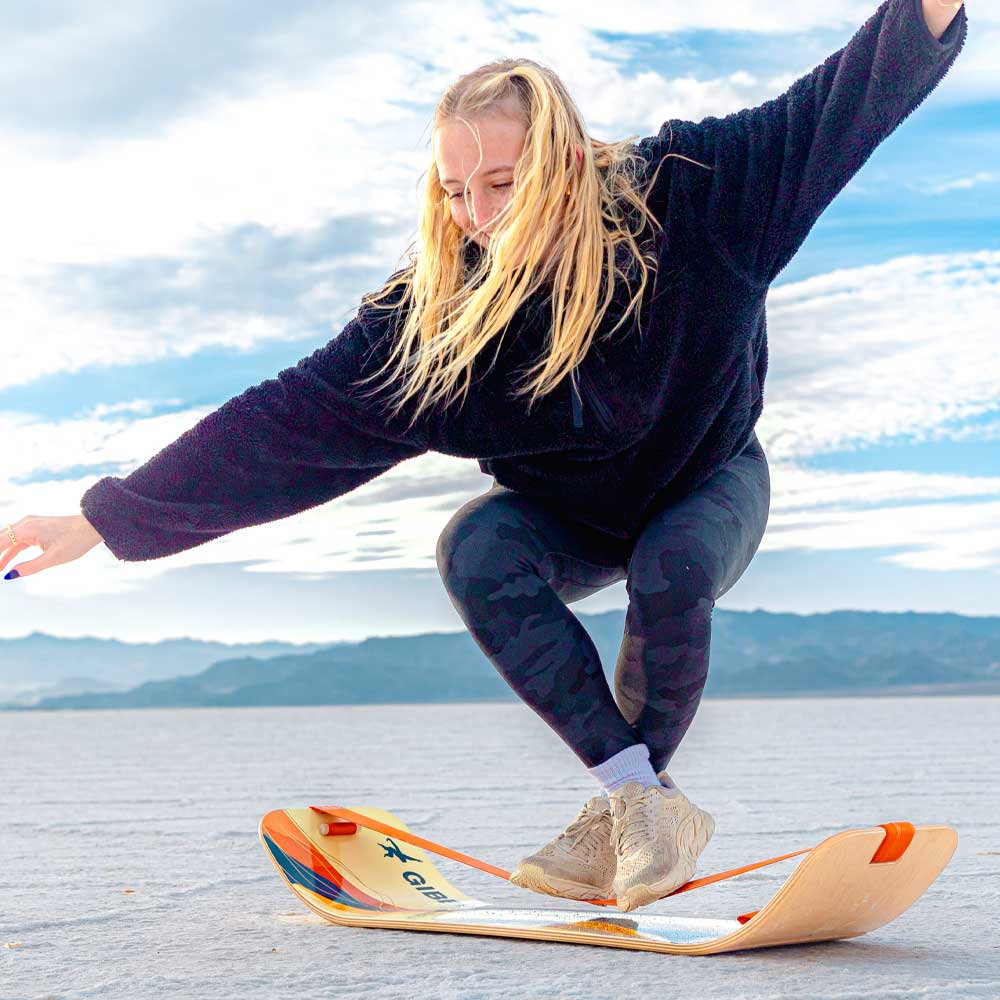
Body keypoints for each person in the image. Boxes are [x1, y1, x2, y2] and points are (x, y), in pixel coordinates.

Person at [0, 0, 967, 914]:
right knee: (475, 548)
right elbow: (280, 428)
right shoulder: (435, 325)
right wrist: (104, 517)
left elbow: (846, 99)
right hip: (569, 520)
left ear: (573, 161)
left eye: (501, 182)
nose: (477, 212)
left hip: (710, 480)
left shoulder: (701, 198)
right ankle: (641, 801)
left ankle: (630, 813)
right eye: (455, 190)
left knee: (673, 570)